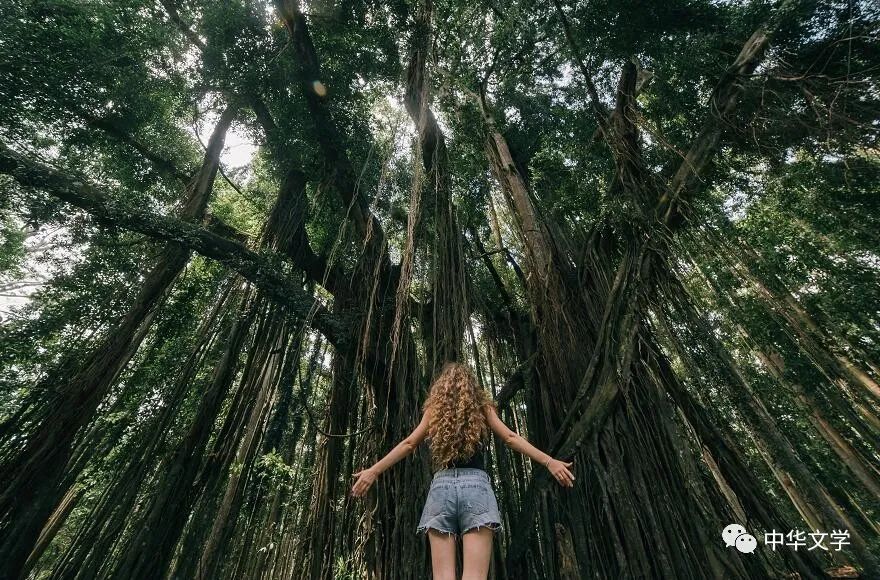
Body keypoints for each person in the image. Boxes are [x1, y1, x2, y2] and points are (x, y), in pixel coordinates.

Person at [350, 361, 574, 580]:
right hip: (477, 489)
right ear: (472, 386)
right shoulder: (482, 407)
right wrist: (549, 461)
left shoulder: (433, 410)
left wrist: (374, 470)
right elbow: (510, 437)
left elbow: (409, 444)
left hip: (441, 490)